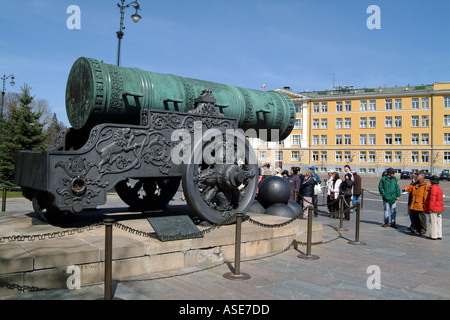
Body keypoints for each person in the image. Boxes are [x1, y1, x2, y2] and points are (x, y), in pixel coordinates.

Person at [424, 175, 444, 240]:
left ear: (432, 181)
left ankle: (433, 235)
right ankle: (439, 234)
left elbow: (432, 199)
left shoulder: (433, 188)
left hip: (434, 208)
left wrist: (430, 208)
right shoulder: (439, 188)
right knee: (439, 221)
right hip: (439, 208)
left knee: (433, 221)